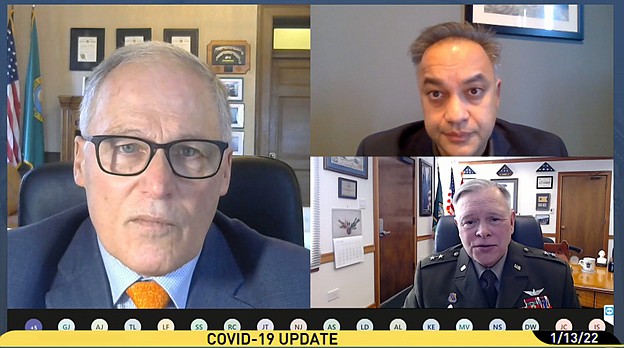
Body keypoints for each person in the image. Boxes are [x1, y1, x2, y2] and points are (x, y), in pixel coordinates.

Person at [8, 41, 309, 309]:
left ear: (225, 172)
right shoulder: (12, 272)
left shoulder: (299, 288)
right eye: (127, 148)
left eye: (189, 151)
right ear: (80, 163)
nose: (158, 186)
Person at [357, 22, 568, 156]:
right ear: (422, 97)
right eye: (436, 94)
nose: (456, 116)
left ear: (496, 95)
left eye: (474, 91)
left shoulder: (547, 150)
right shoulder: (377, 151)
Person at [403, 179, 579, 308]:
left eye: (494, 219)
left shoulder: (555, 274)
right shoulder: (429, 278)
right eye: (470, 222)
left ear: (511, 222)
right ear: (458, 227)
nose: (483, 231)